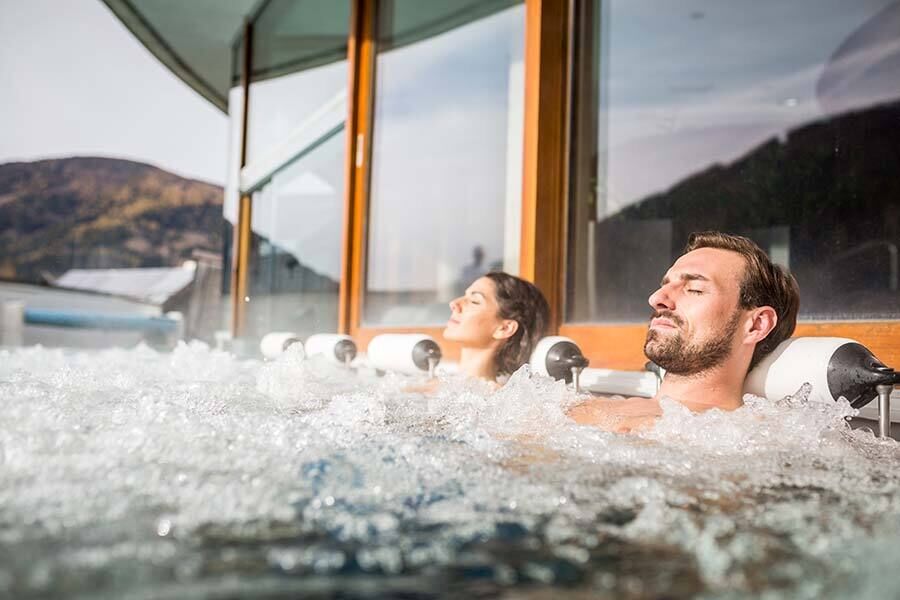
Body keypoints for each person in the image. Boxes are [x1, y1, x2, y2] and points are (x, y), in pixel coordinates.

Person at [569, 231, 800, 433]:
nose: (656, 299)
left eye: (695, 289)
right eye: (664, 285)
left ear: (757, 325)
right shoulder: (590, 407)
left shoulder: (750, 439)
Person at [444, 271, 550, 382]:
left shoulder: (504, 398)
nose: (454, 304)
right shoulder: (433, 386)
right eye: (465, 295)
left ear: (505, 328)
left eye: (474, 301)